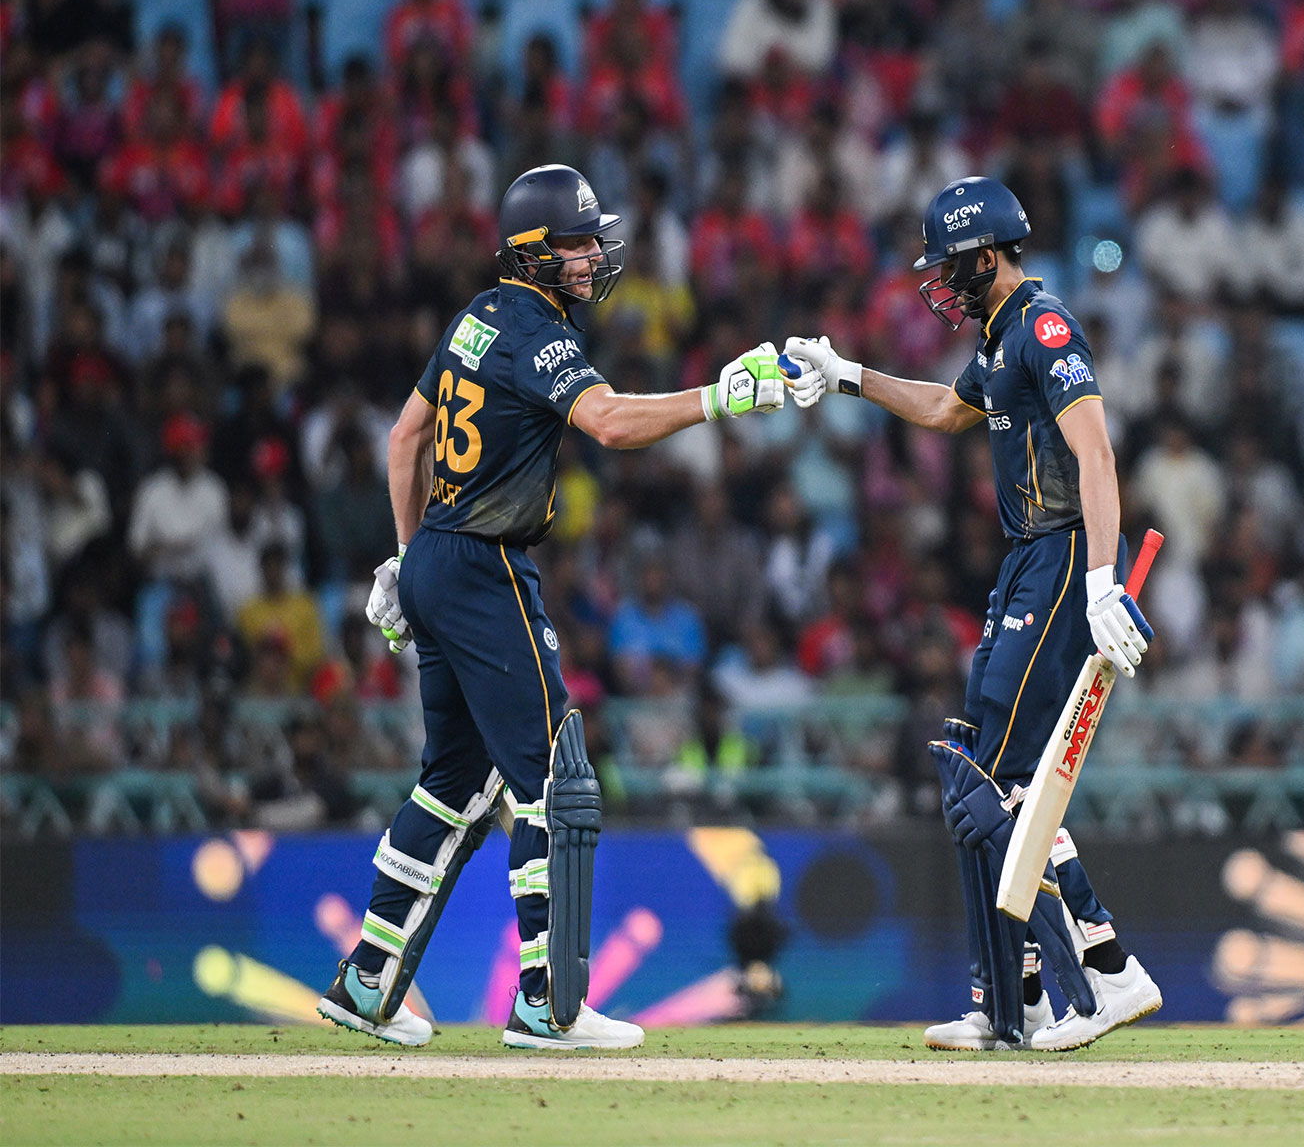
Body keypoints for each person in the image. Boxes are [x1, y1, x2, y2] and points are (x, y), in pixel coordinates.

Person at [317, 164, 789, 1050]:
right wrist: (724, 396)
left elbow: (406, 437)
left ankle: (368, 979)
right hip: (487, 565)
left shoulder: (473, 315)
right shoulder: (533, 328)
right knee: (554, 781)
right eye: (574, 244)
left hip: (443, 557)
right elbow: (608, 424)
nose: (590, 256)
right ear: (532, 254)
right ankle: (548, 1004)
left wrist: (407, 550)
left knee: (453, 779)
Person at [785, 177, 1162, 1051]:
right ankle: (1012, 1002)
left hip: (1063, 556)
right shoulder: (999, 341)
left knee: (996, 777)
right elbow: (948, 409)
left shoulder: (1043, 326)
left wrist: (1102, 580)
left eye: (953, 266)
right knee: (977, 775)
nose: (944, 284)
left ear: (989, 254)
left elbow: (1096, 452)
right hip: (1028, 559)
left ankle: (1105, 973)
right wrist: (849, 377)